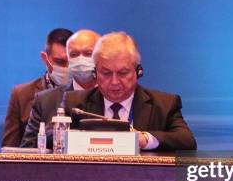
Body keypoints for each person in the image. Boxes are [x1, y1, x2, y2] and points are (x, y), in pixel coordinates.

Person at [23, 31, 197, 151]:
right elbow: (50, 137)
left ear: (138, 72)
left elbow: (186, 140)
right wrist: (81, 139)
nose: (114, 82)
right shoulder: (75, 103)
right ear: (95, 73)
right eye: (106, 73)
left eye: (123, 73)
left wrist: (145, 139)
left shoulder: (164, 104)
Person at [20, 29, 100, 148]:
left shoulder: (114, 96)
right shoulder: (45, 100)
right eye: (74, 55)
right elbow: (26, 152)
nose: (81, 60)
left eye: (88, 54)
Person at [1, 28, 73, 147]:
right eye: (59, 61)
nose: (67, 67)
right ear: (45, 58)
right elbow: (9, 150)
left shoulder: (87, 93)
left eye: (71, 61)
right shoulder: (21, 95)